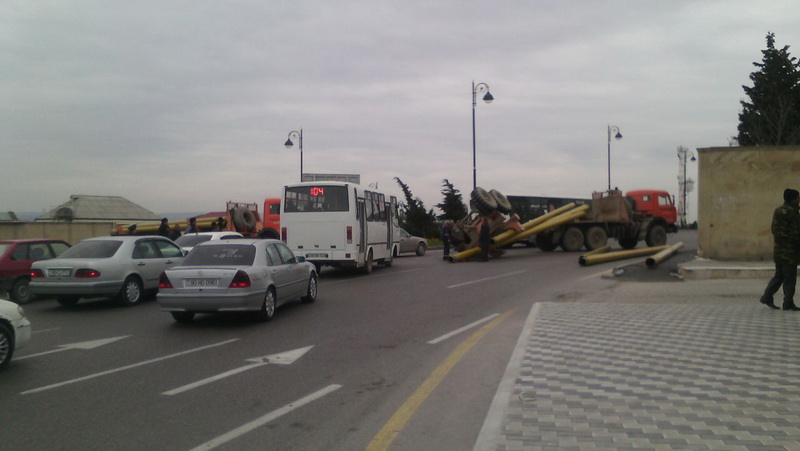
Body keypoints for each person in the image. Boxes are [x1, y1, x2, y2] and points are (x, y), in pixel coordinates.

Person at [760, 188, 800, 311]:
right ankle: (788, 302)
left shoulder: (778, 210)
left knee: (780, 276)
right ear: (793, 198)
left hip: (779, 250)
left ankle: (767, 296)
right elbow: (796, 233)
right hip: (790, 251)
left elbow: (775, 229)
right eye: (798, 197)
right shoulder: (792, 212)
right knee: (790, 277)